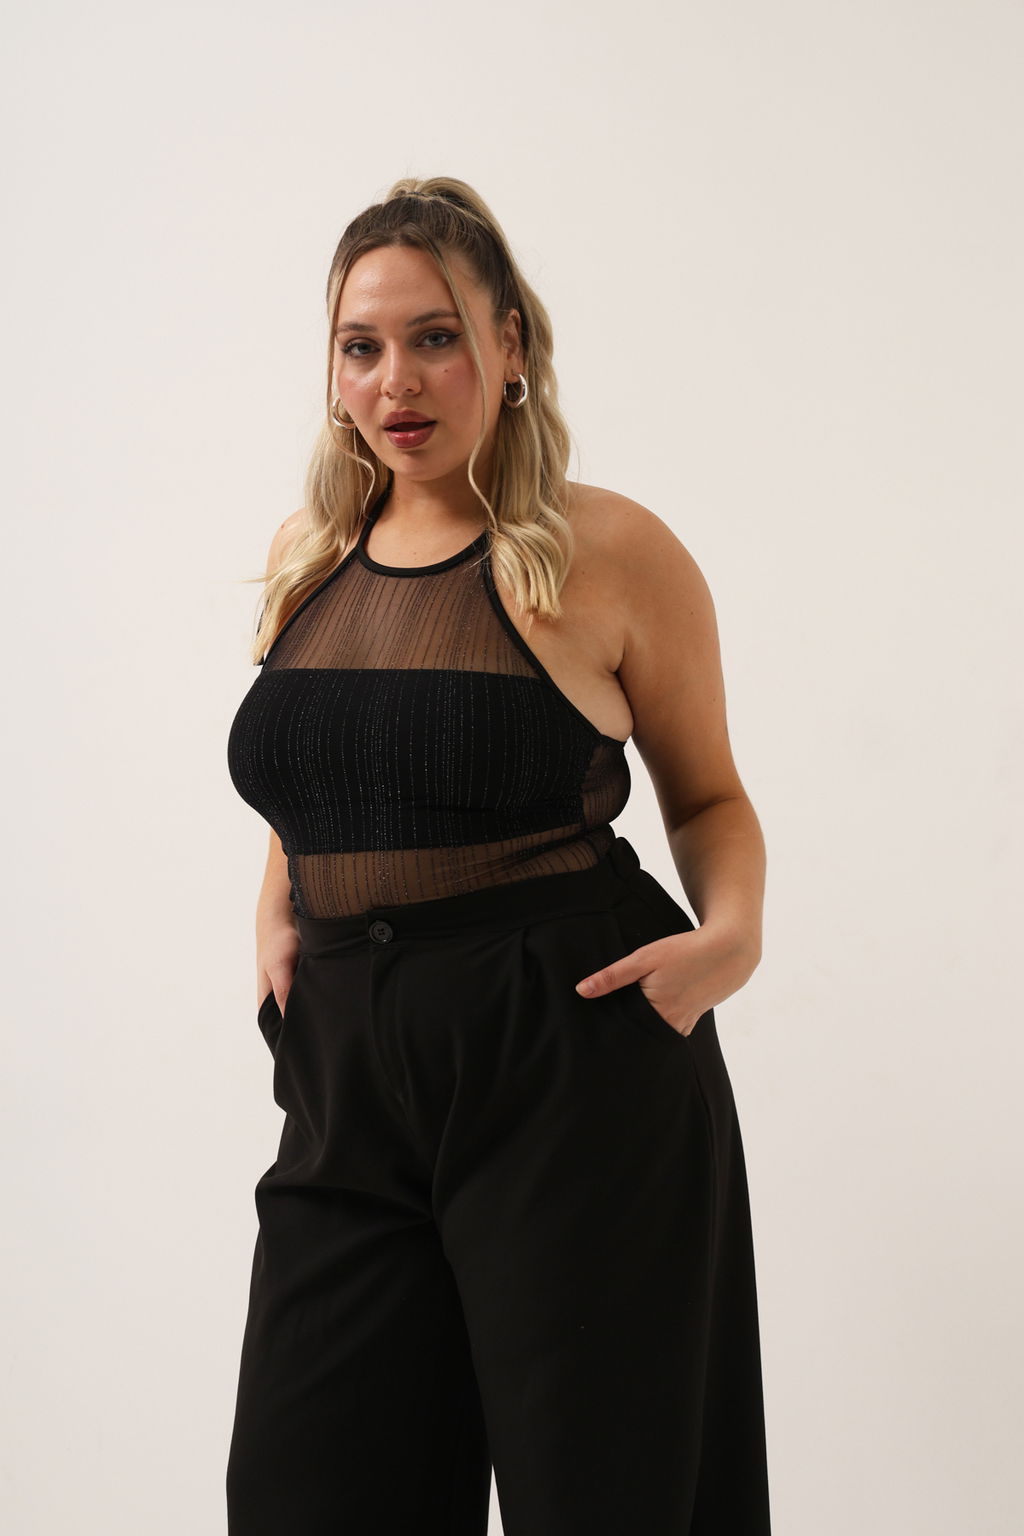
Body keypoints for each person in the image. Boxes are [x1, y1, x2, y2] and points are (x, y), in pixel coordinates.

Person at [225, 175, 771, 1535]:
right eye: (361, 346)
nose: (396, 381)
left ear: (510, 343)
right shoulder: (310, 554)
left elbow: (708, 798)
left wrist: (730, 941)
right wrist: (278, 911)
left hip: (567, 1051)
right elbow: (328, 776)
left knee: (602, 1491)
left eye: (437, 337)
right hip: (347, 1071)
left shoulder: (609, 552)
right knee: (307, 1484)